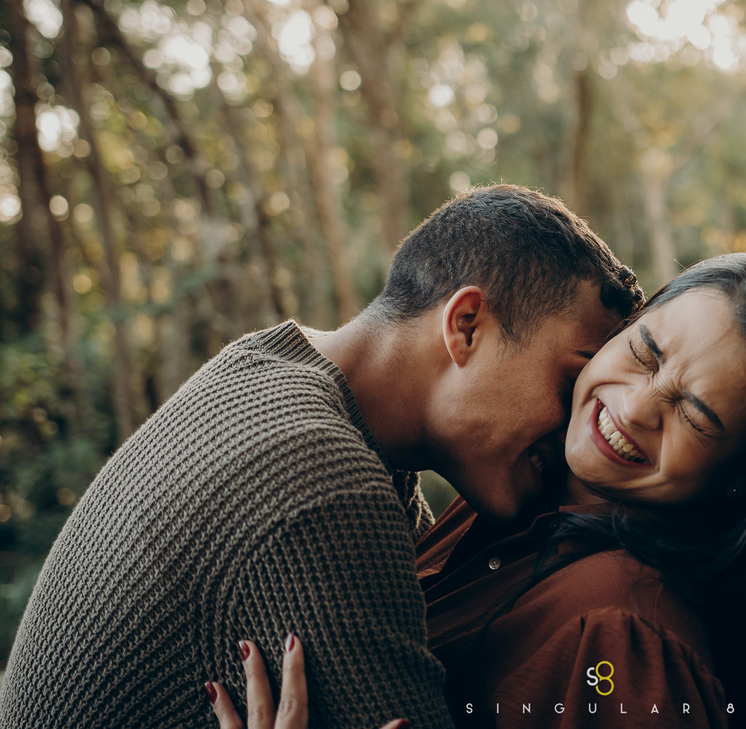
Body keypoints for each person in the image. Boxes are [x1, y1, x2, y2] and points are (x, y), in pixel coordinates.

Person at [0, 185, 644, 729]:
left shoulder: (268, 364)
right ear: (466, 324)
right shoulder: (318, 479)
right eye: (571, 382)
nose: (573, 429)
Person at [213, 253, 746, 729]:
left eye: (696, 413)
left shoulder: (622, 638)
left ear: (743, 478)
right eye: (645, 353)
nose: (635, 407)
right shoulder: (524, 487)